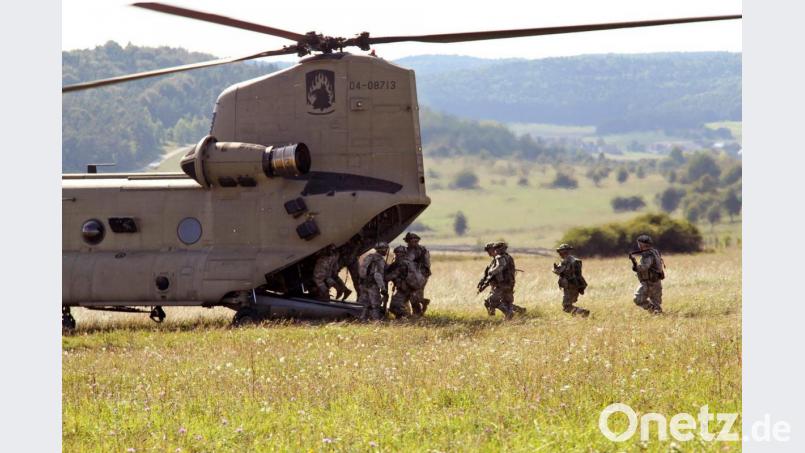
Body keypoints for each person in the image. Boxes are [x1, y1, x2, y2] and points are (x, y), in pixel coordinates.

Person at [384, 245, 423, 319]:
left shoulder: (402, 264)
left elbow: (393, 275)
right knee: (403, 304)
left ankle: (405, 317)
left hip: (406, 289)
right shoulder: (405, 262)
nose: (398, 255)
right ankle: (404, 317)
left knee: (394, 305)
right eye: (397, 253)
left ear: (404, 254)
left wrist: (384, 277)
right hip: (409, 288)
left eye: (400, 253)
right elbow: (390, 268)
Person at [479, 242, 516, 319]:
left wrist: (491, 272)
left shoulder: (500, 257)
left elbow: (499, 268)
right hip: (507, 283)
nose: (489, 253)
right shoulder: (506, 257)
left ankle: (505, 315)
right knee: (507, 302)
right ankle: (518, 312)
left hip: (502, 284)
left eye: (490, 250)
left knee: (491, 301)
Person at [630, 234, 665, 314]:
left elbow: (645, 266)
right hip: (656, 282)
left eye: (639, 244)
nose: (638, 246)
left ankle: (653, 310)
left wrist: (635, 267)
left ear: (641, 244)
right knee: (657, 305)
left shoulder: (647, 255)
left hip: (648, 283)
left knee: (637, 299)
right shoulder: (655, 252)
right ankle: (657, 314)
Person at [552, 243, 590, 317]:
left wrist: (555, 269)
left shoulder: (568, 261)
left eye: (561, 251)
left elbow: (560, 272)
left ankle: (583, 312)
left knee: (566, 307)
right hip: (572, 285)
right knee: (568, 305)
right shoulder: (572, 260)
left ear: (565, 252)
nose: (560, 253)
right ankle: (578, 316)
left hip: (570, 286)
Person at [358, 242, 390, 320]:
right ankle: (376, 321)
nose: (386, 251)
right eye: (385, 249)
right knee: (375, 304)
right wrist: (382, 288)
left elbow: (362, 270)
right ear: (380, 250)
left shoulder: (369, 257)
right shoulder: (379, 260)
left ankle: (362, 319)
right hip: (373, 285)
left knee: (365, 303)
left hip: (363, 284)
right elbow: (377, 274)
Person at [403, 232, 431, 315]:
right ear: (408, 242)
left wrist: (422, 277)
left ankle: (417, 314)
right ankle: (408, 314)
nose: (414, 243)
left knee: (415, 297)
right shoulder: (405, 250)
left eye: (415, 241)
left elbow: (427, 265)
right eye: (411, 241)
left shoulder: (422, 251)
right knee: (405, 296)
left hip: (419, 277)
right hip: (407, 277)